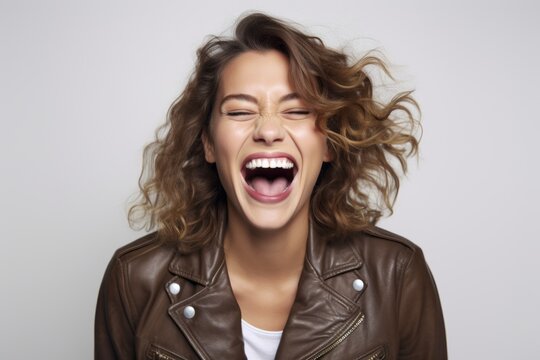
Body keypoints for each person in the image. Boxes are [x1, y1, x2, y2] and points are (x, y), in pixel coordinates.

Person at [95, 12, 447, 360]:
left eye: (296, 111)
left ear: (328, 142)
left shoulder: (397, 273)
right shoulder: (134, 278)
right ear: (208, 143)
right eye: (238, 112)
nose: (267, 130)